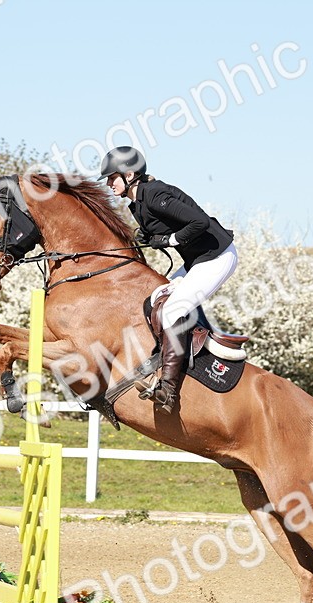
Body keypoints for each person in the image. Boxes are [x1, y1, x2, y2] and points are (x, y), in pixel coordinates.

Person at [99, 146, 238, 412]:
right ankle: (182, 348)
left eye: (111, 177)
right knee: (155, 297)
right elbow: (162, 227)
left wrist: (169, 240)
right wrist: (148, 237)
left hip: (217, 257)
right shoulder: (137, 203)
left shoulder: (154, 194)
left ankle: (169, 389)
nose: (108, 184)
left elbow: (200, 223)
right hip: (198, 260)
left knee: (174, 309)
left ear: (129, 174)